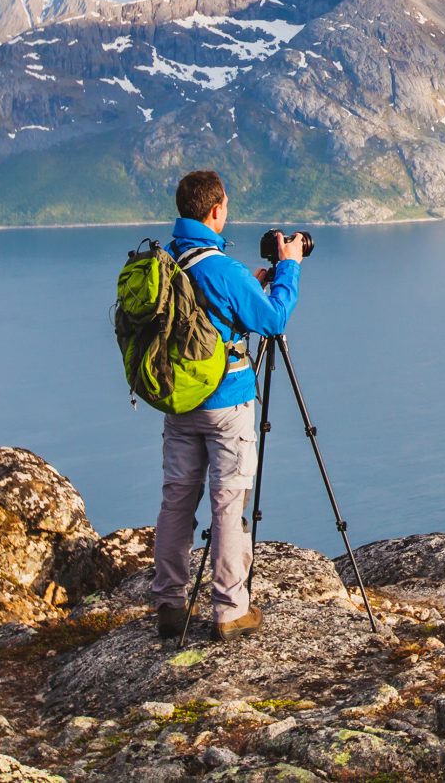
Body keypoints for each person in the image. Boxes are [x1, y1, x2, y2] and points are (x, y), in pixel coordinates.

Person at [151, 169, 307, 641]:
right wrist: (290, 267)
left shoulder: (167, 260)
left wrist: (249, 287)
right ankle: (230, 609)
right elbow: (273, 319)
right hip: (226, 404)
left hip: (180, 402)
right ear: (216, 210)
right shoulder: (222, 268)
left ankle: (169, 604)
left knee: (177, 499)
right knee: (227, 501)